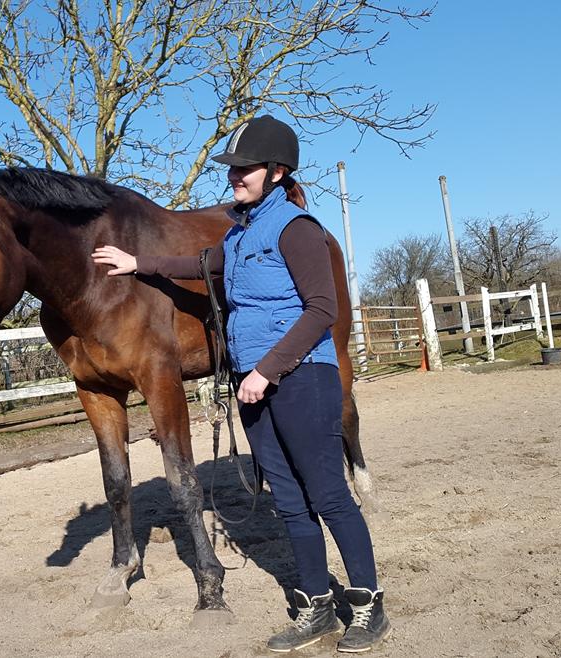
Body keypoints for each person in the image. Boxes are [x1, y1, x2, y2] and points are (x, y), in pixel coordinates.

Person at [91, 116, 390, 653]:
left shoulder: (298, 230)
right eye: (233, 169)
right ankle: (316, 607)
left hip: (300, 378)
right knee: (290, 502)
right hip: (254, 385)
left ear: (276, 172)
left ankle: (369, 605)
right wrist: (138, 262)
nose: (235, 177)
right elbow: (200, 264)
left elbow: (322, 309)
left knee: (327, 495)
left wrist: (265, 371)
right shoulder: (241, 231)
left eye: (244, 169)